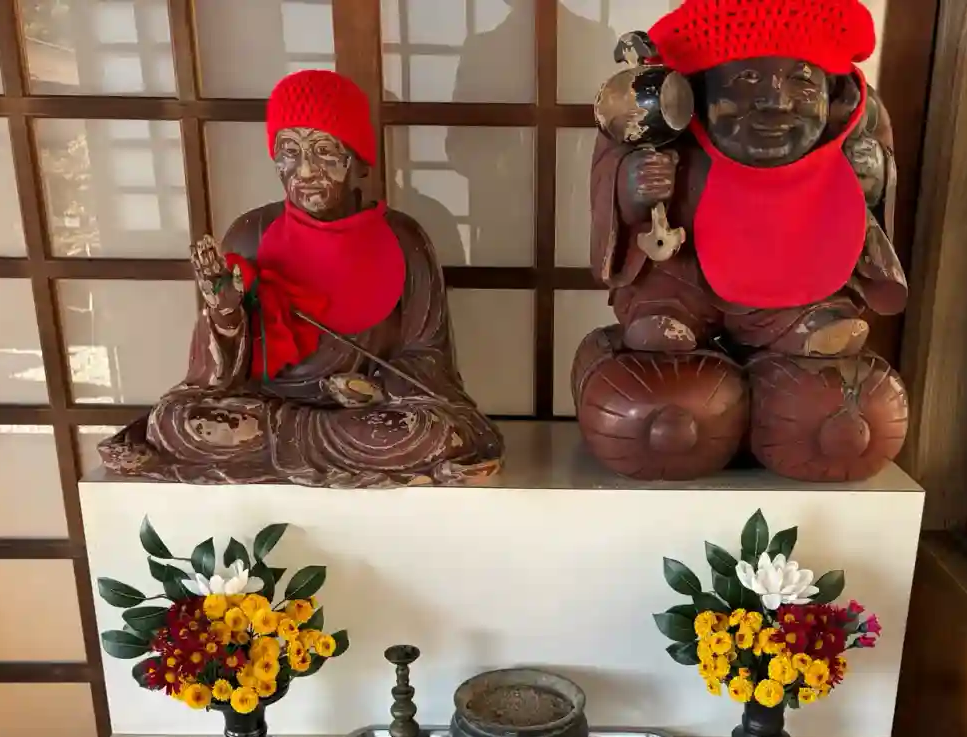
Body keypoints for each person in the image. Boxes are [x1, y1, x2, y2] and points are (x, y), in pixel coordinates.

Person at [100, 69, 503, 487]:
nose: (305, 170)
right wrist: (225, 316)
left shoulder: (405, 239)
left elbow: (428, 356)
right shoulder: (251, 233)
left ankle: (291, 446)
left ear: (359, 160)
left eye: (325, 151)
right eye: (289, 151)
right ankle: (296, 444)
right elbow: (215, 381)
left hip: (362, 418)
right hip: (264, 411)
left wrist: (377, 388)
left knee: (436, 433)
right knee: (173, 421)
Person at [575, 0, 908, 482]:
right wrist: (634, 186)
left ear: (833, 94)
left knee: (819, 343)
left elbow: (874, 193)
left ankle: (805, 324)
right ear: (696, 91)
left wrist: (870, 176)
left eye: (802, 82)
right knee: (662, 314)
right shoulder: (665, 118)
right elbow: (615, 181)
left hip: (791, 270)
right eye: (747, 79)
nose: (776, 101)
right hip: (683, 273)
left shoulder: (849, 125)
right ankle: (668, 321)